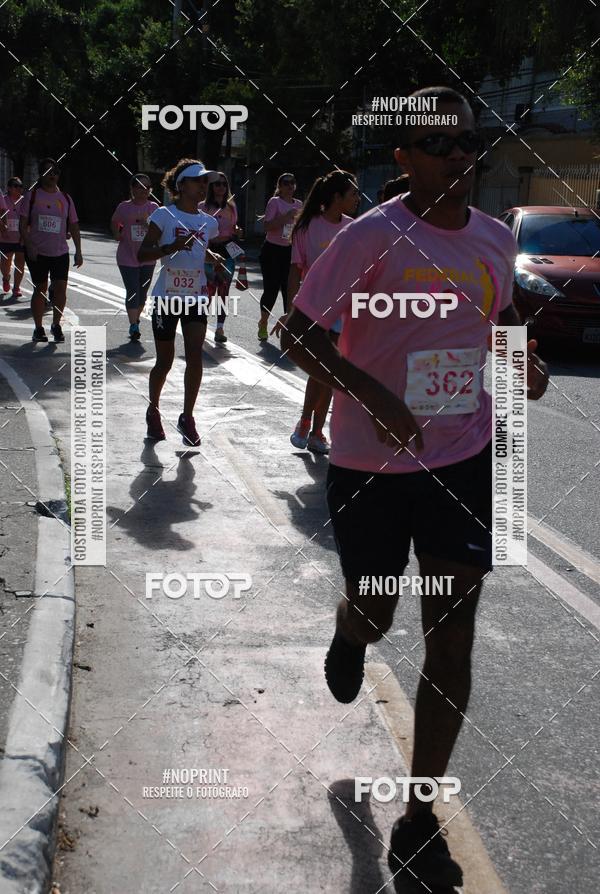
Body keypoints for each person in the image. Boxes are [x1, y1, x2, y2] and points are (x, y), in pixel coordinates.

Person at [282, 86, 549, 891]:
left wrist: (520, 365)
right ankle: (350, 630)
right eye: (442, 147)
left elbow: (497, 326)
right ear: (402, 158)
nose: (461, 160)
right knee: (376, 606)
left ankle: (421, 810)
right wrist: (374, 396)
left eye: (470, 144)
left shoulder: (496, 240)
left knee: (453, 636)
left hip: (460, 461)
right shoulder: (370, 236)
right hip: (369, 466)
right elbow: (293, 331)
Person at [272, 171, 359, 454]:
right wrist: (290, 312)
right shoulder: (306, 227)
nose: (358, 199)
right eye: (353, 194)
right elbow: (295, 273)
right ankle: (306, 422)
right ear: (336, 197)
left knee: (331, 374)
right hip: (314, 309)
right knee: (322, 370)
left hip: (344, 310)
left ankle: (317, 431)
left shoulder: (354, 228)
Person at [137, 158, 222, 447]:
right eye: (198, 181)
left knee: (195, 355)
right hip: (165, 297)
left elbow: (198, 252)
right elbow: (142, 254)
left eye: (205, 182)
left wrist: (214, 258)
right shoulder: (164, 215)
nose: (203, 187)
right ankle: (153, 410)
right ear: (182, 185)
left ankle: (188, 417)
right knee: (165, 360)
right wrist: (170, 247)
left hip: (195, 296)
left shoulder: (209, 222)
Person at [20, 158, 82, 343]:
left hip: (60, 251)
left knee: (61, 288)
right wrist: (29, 245)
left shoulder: (65, 199)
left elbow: (73, 225)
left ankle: (56, 324)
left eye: (55, 171)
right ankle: (39, 328)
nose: (52, 175)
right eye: (48, 172)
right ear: (41, 175)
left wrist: (78, 250)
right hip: (37, 251)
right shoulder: (32, 196)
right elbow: (23, 225)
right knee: (40, 288)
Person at [110, 173, 158, 340]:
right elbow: (114, 221)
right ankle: (133, 325)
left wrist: (148, 225)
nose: (143, 190)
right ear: (132, 189)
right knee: (132, 291)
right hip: (127, 256)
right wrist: (117, 233)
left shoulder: (154, 208)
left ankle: (136, 319)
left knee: (143, 292)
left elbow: (161, 231)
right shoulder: (124, 207)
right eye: (139, 186)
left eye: (147, 186)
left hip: (148, 257)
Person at [257, 172, 302, 341]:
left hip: (290, 251)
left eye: (292, 182)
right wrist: (286, 217)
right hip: (272, 250)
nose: (290, 186)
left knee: (289, 290)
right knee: (271, 289)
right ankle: (263, 322)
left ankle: (287, 328)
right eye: (286, 183)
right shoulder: (274, 202)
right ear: (280, 187)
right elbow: (267, 226)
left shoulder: (299, 204)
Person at [200, 171, 242, 344]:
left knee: (224, 291)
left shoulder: (231, 207)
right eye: (217, 184)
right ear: (211, 186)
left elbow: (234, 226)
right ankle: (200, 326)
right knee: (208, 290)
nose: (221, 187)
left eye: (224, 184)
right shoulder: (202, 206)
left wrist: (238, 231)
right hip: (209, 251)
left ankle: (220, 328)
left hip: (226, 250)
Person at [0, 178, 23, 298]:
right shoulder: (3, 200)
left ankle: (17, 288)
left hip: (21, 238)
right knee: (5, 264)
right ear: (9, 188)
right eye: (16, 186)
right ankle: (5, 277)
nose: (19, 188)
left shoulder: (24, 201)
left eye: (20, 186)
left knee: (20, 262)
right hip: (5, 238)